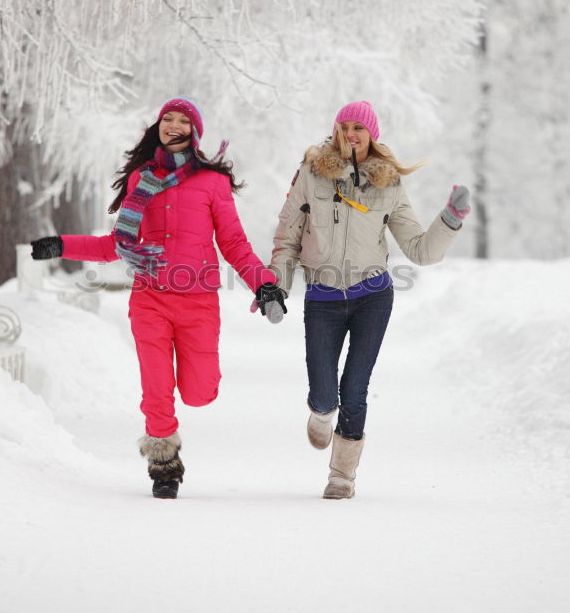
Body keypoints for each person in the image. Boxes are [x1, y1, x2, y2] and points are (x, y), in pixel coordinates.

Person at [31, 97, 286, 499]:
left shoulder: (212, 182)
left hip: (198, 301)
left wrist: (264, 284)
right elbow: (116, 244)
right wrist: (61, 245)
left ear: (194, 132)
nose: (172, 124)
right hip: (149, 298)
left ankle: (180, 422)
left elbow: (234, 243)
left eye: (182, 120)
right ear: (159, 126)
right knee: (156, 387)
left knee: (200, 392)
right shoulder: (141, 180)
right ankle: (163, 462)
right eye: (167, 118)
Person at [269, 101, 470, 500]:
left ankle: (342, 475)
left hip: (372, 297)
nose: (351, 134)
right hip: (323, 298)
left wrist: (449, 219)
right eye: (345, 127)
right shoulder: (311, 173)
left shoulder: (388, 182)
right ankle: (321, 411)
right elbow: (287, 236)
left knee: (356, 388)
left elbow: (418, 249)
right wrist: (276, 285)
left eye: (359, 128)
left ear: (372, 135)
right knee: (326, 394)